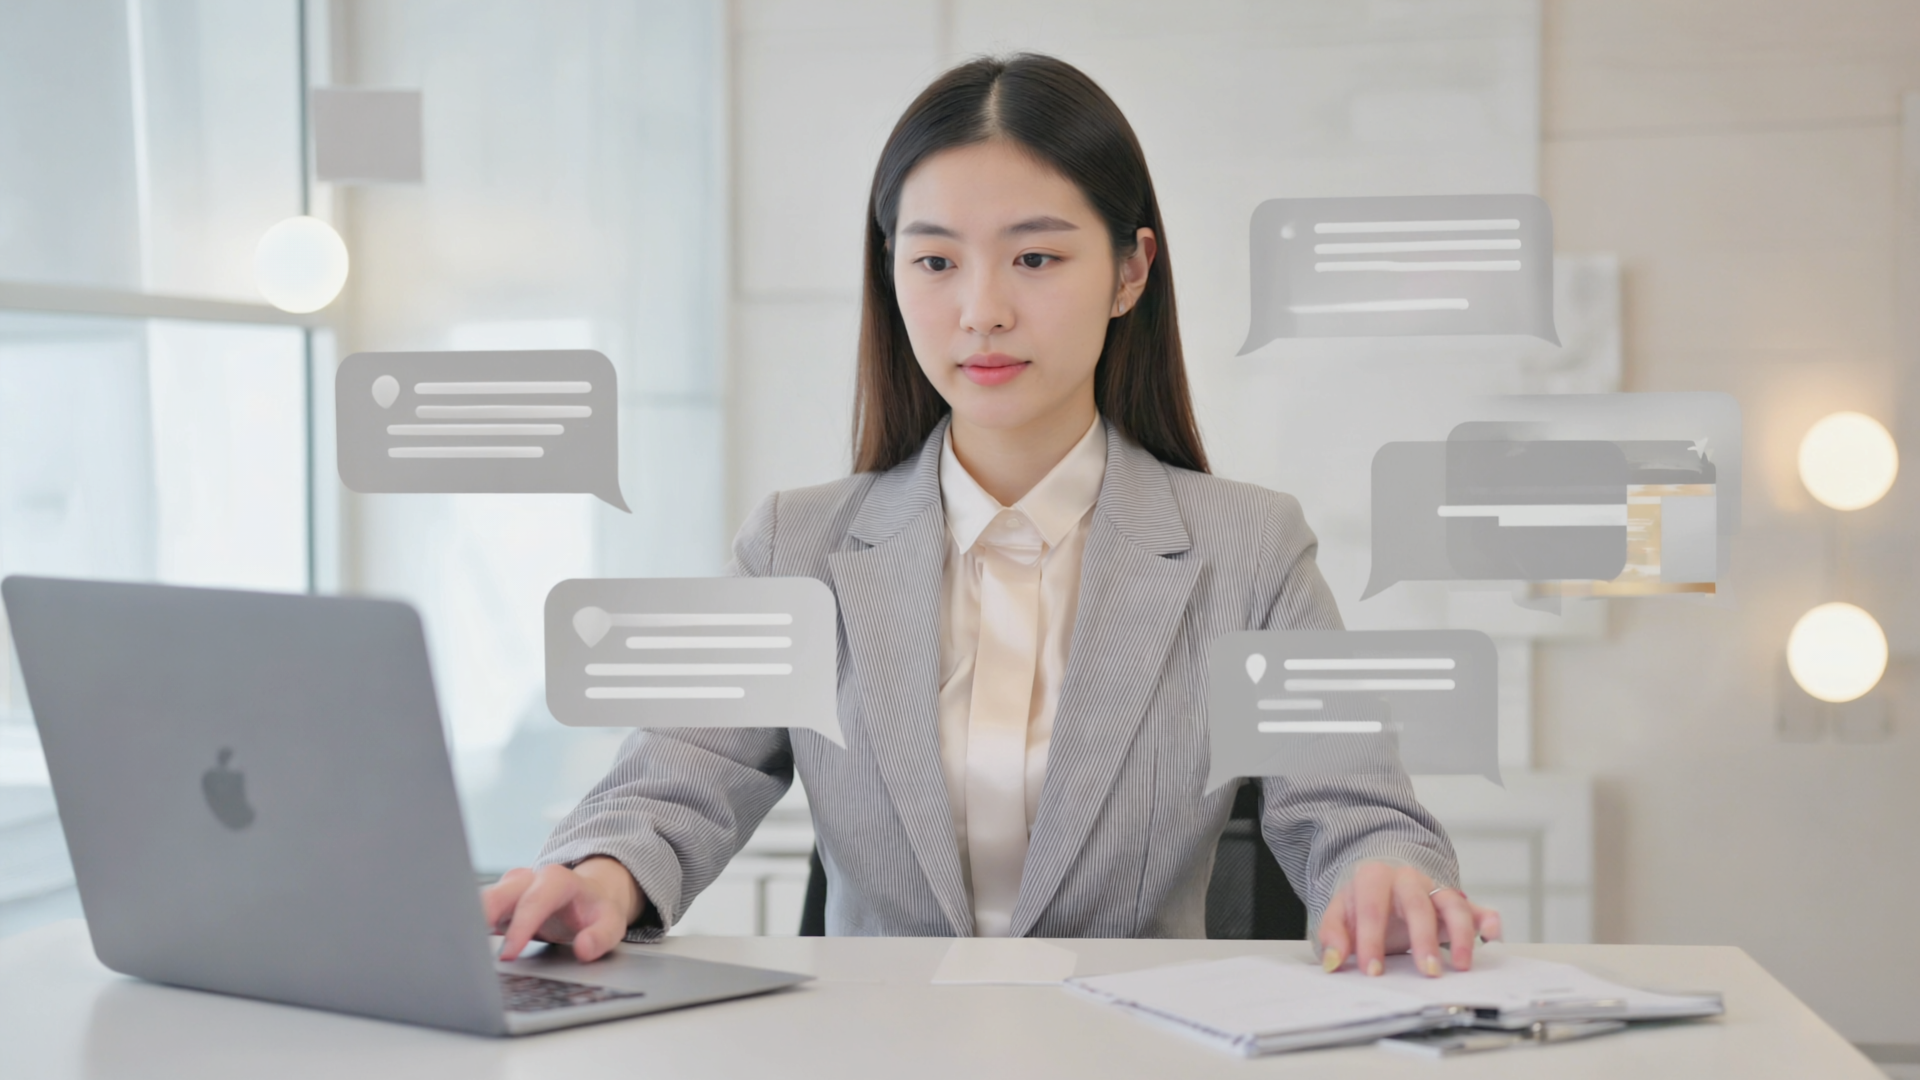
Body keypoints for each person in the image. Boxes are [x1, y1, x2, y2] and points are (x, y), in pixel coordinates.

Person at [484, 53, 1500, 978]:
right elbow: (680, 774)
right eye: (935, 262)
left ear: (1131, 270)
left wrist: (1385, 873)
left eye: (1035, 259)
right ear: (893, 273)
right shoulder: (800, 547)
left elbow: (1355, 809)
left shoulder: (1248, 551)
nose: (981, 311)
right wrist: (600, 873)